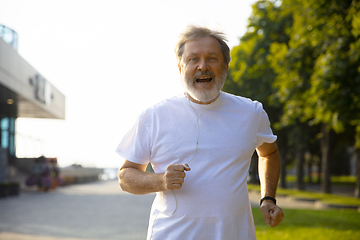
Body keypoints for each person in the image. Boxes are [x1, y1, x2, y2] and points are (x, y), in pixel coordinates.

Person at [116, 25, 284, 240]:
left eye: (212, 58)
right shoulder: (153, 116)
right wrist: (161, 181)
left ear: (226, 66)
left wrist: (268, 198)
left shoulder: (251, 112)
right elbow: (125, 176)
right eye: (193, 59)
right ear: (180, 67)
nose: (202, 66)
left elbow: (268, 153)